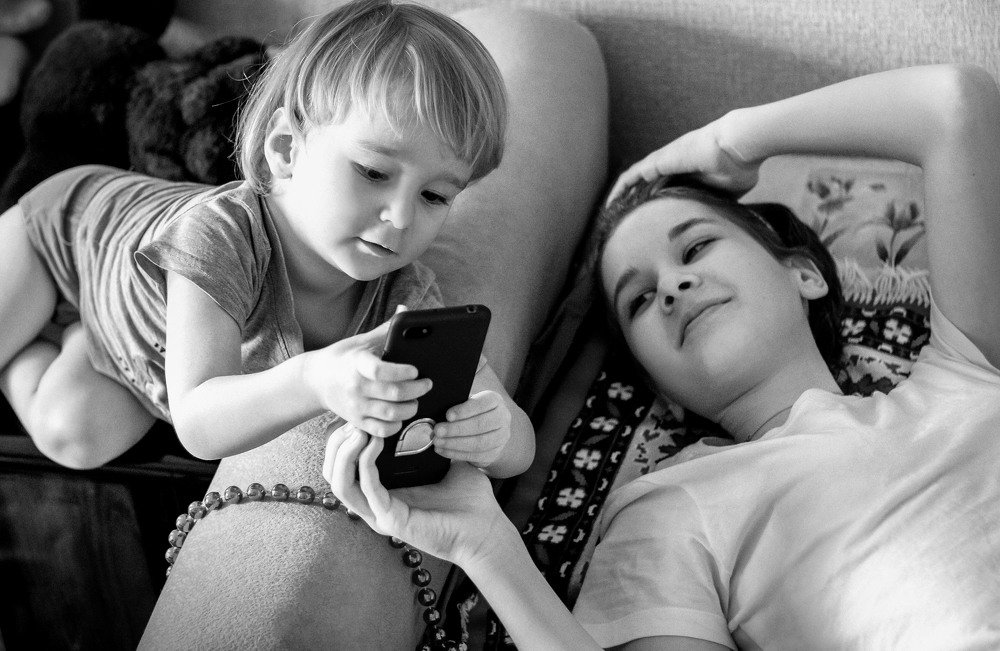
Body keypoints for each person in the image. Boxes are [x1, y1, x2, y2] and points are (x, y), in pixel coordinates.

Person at [326, 62, 1000, 649]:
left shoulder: (965, 368)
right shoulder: (671, 508)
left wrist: (733, 139)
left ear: (804, 273)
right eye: (640, 299)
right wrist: (483, 543)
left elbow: (955, 101)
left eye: (697, 247)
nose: (673, 287)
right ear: (658, 384)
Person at [0, 0, 533, 478]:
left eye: (434, 196)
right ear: (285, 150)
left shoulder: (406, 297)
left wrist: (496, 434)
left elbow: (520, 445)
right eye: (373, 172)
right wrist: (314, 380)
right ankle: (64, 311)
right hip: (64, 234)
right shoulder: (219, 239)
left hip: (137, 337)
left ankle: (79, 328)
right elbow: (199, 424)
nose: (399, 216)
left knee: (74, 434)